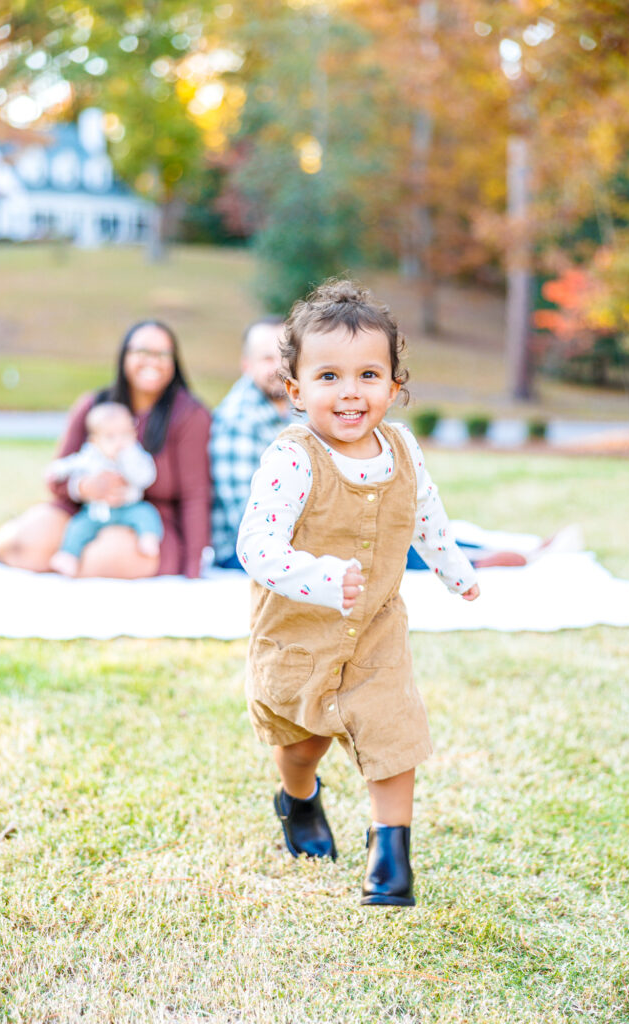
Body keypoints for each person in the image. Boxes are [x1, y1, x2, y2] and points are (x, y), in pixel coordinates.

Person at [236, 279, 480, 907]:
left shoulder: (403, 449)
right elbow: (255, 546)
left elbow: (426, 515)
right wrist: (318, 575)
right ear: (296, 390)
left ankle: (390, 857)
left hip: (375, 632)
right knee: (304, 742)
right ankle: (297, 798)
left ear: (395, 385)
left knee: (393, 733)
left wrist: (453, 569)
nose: (351, 392)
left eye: (369, 374)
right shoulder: (292, 459)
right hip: (301, 637)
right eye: (329, 377)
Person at [0, 321, 211, 579]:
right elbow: (56, 476)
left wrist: (194, 566)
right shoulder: (93, 406)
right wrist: (83, 487)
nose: (153, 361)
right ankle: (5, 553)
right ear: (124, 355)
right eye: (142, 352)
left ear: (174, 361)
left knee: (102, 560)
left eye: (163, 354)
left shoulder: (190, 415)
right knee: (21, 546)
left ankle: (61, 577)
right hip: (85, 512)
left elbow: (195, 495)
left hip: (151, 522)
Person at [209, 316, 293, 569]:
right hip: (245, 551)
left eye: (286, 355)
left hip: (294, 538)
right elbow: (249, 518)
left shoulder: (301, 406)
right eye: (267, 358)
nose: (279, 366)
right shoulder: (237, 420)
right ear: (247, 365)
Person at [47, 402, 164, 577]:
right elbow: (74, 462)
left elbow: (147, 477)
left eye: (125, 434)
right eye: (111, 437)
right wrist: (58, 469)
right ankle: (68, 555)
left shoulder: (135, 454)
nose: (120, 442)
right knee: (78, 526)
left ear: (134, 433)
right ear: (95, 440)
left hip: (129, 507)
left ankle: (148, 538)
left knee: (147, 514)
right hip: (98, 510)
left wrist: (128, 461)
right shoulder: (91, 455)